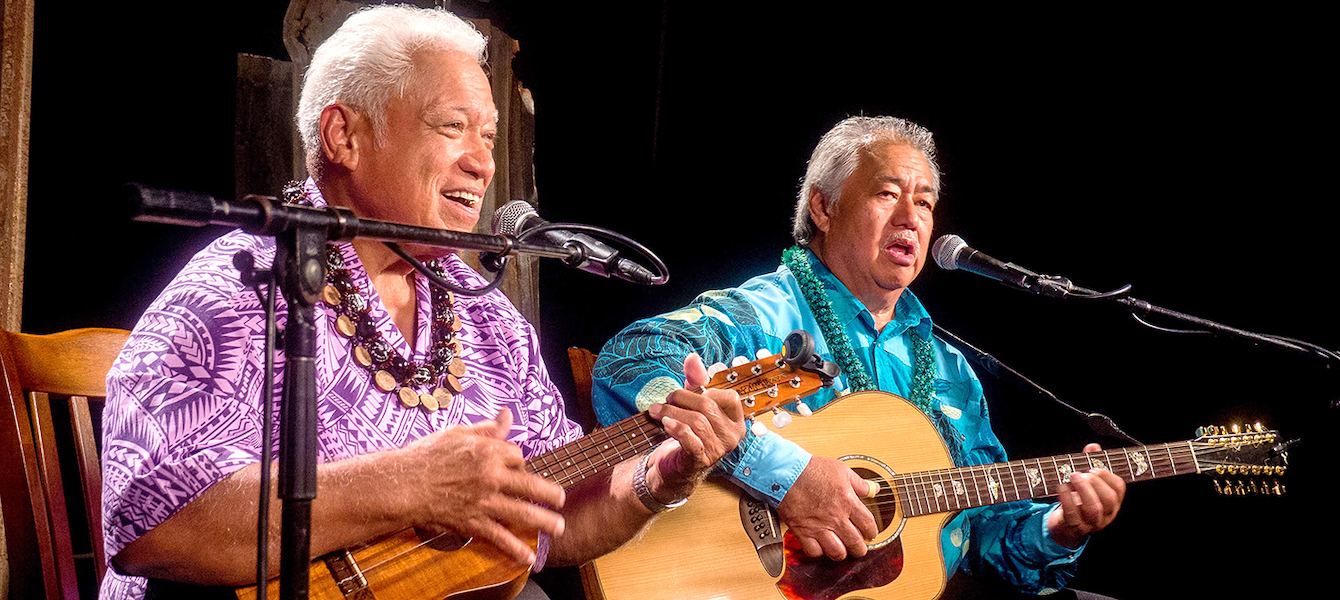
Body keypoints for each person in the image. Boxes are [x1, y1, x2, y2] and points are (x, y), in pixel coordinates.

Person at [99, 6, 745, 600]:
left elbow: (555, 516)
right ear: (343, 136)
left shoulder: (490, 323)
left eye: (488, 137)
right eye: (453, 127)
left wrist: (656, 482)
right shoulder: (239, 287)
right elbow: (148, 522)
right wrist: (410, 485)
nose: (483, 164)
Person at [591, 116, 1125, 598]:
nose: (910, 218)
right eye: (887, 193)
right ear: (824, 208)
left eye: (924, 202)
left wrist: (1059, 527)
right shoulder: (765, 313)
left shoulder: (950, 373)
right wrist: (787, 476)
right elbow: (629, 362)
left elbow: (982, 533)